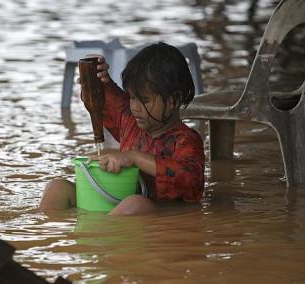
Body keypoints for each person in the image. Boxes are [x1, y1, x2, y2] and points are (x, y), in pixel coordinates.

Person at [39, 42, 205, 215]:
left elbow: (192, 179)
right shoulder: (130, 122)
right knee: (57, 188)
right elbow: (108, 101)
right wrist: (97, 79)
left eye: (144, 100)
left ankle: (102, 235)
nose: (135, 107)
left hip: (159, 215)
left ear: (174, 100)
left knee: (137, 203)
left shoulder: (187, 140)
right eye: (132, 97)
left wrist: (134, 158)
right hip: (117, 204)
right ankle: (50, 232)